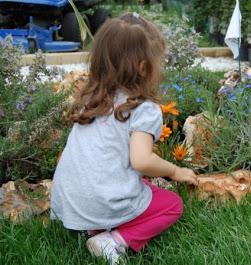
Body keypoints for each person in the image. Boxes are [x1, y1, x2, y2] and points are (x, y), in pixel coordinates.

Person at [50, 12, 198, 265]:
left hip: (69, 200)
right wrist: (174, 171)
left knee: (143, 189)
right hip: (100, 202)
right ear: (143, 66)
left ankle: (95, 227)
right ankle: (112, 240)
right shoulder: (143, 109)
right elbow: (141, 161)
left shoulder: (91, 98)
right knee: (171, 204)